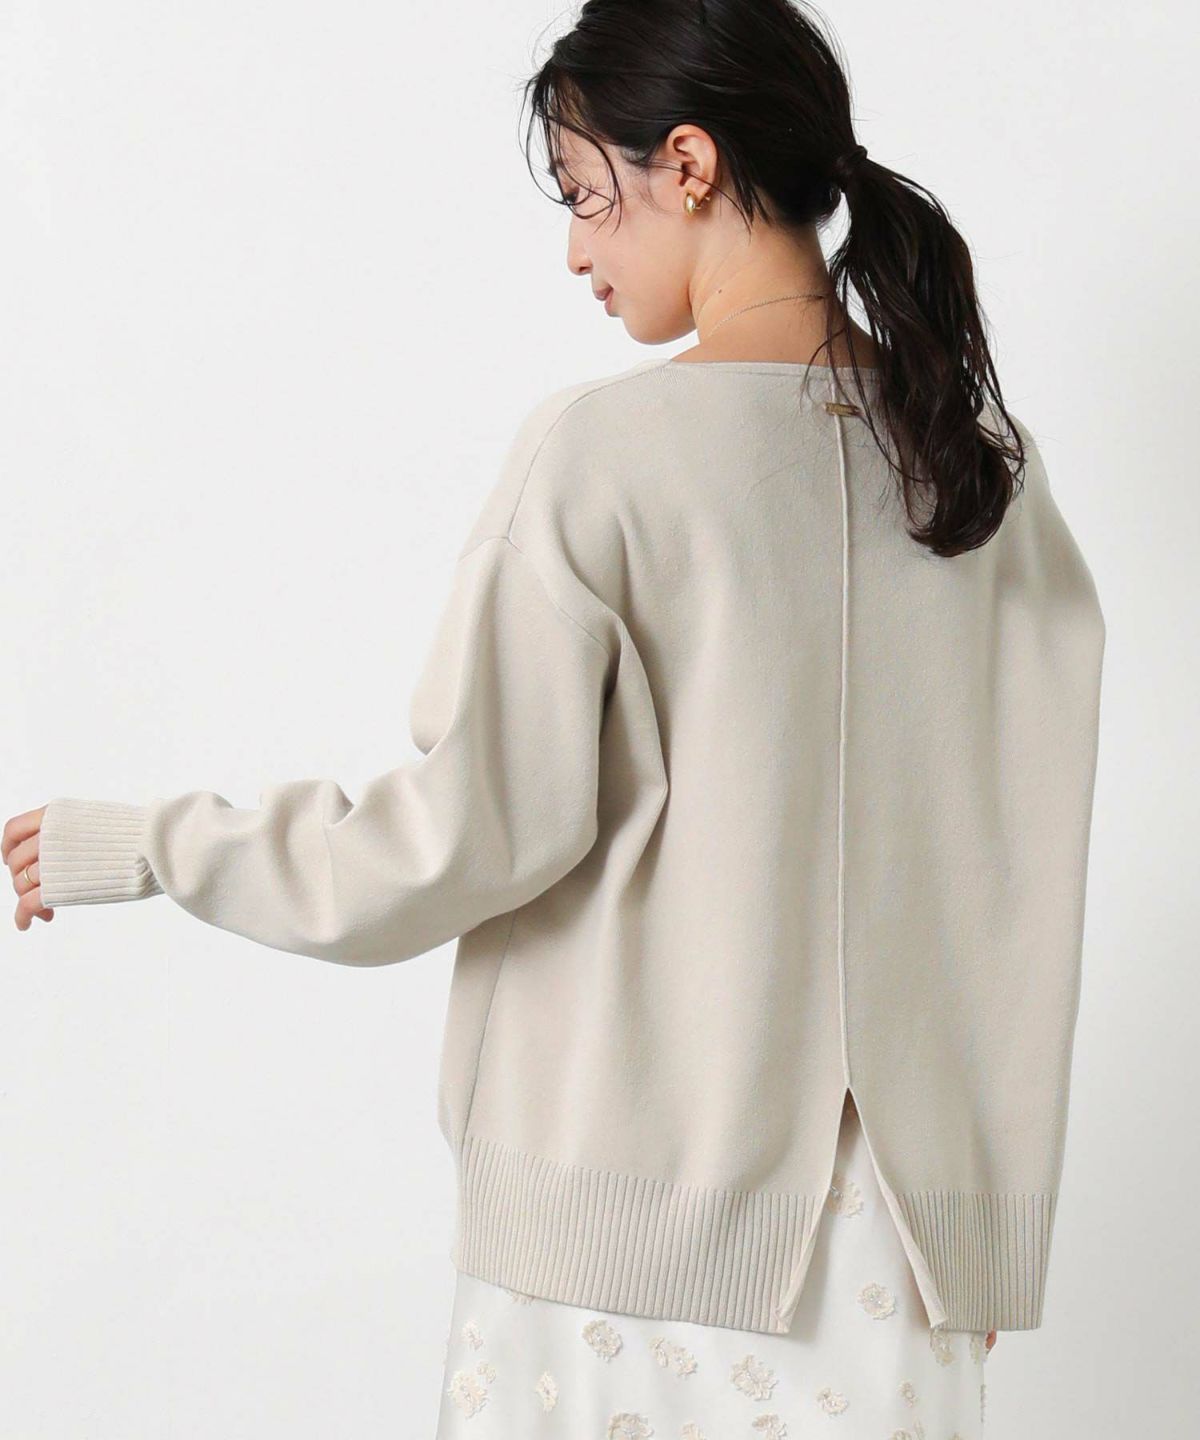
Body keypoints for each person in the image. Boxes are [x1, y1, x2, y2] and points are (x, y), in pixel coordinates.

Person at [6, 1, 1105, 1436]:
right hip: (903, 1261)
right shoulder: (982, 465)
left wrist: (149, 844)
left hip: (623, 1246)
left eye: (588, 197)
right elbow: (1019, 870)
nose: (576, 253)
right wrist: (973, 1225)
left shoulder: (608, 455)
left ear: (690, 165)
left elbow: (459, 838)